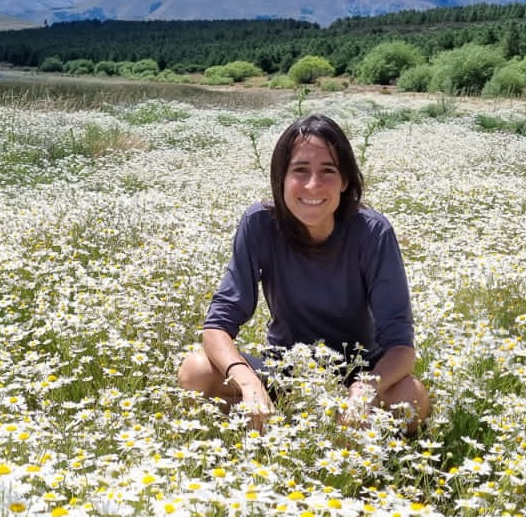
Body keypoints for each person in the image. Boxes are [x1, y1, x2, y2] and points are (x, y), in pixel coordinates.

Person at [177, 113, 431, 431]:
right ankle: (278, 428)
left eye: (328, 171)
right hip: (283, 370)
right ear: (280, 177)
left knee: (412, 398)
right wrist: (249, 384)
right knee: (195, 371)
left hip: (358, 372)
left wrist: (363, 391)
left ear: (346, 181)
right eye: (300, 170)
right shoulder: (259, 224)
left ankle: (326, 435)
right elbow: (217, 326)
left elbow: (401, 346)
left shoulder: (372, 232)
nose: (313, 185)